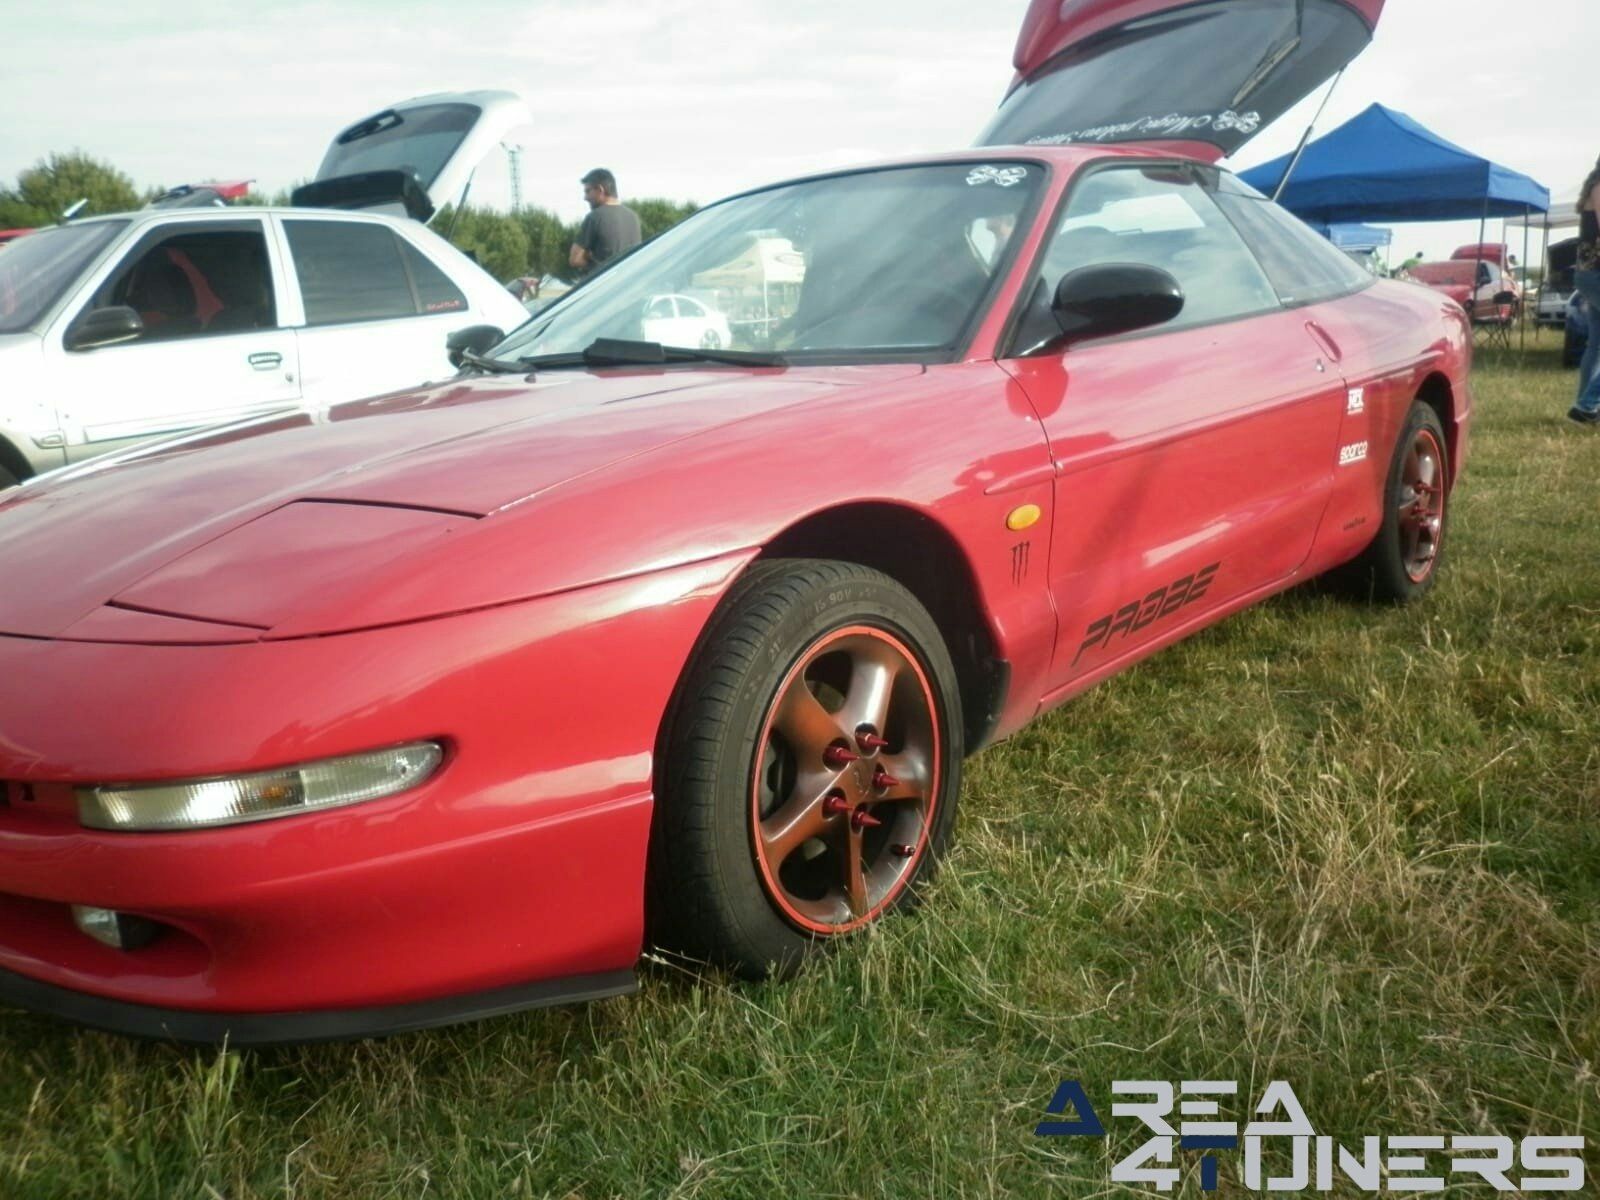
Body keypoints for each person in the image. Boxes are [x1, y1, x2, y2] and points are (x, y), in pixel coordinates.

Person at [1570, 155, 1600, 425]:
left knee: (1596, 344)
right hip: (1595, 273)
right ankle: (1587, 404)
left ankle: (1585, 408)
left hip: (1588, 274)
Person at [568, 168, 642, 276]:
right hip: (629, 284)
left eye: (588, 191)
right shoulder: (633, 217)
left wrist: (592, 261)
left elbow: (575, 259)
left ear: (600, 189)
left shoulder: (595, 217)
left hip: (604, 284)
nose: (585, 197)